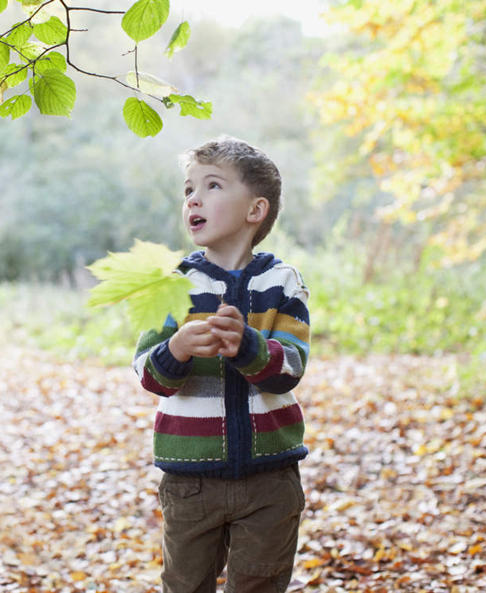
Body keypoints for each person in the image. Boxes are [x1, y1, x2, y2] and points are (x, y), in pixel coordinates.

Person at [133, 136, 311, 593]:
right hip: (190, 479)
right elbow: (148, 374)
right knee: (185, 584)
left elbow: (291, 367)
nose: (193, 198)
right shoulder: (172, 285)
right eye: (188, 189)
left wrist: (249, 347)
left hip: (270, 476)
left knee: (260, 583)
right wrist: (177, 348)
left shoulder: (283, 282)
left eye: (212, 185)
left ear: (256, 210)